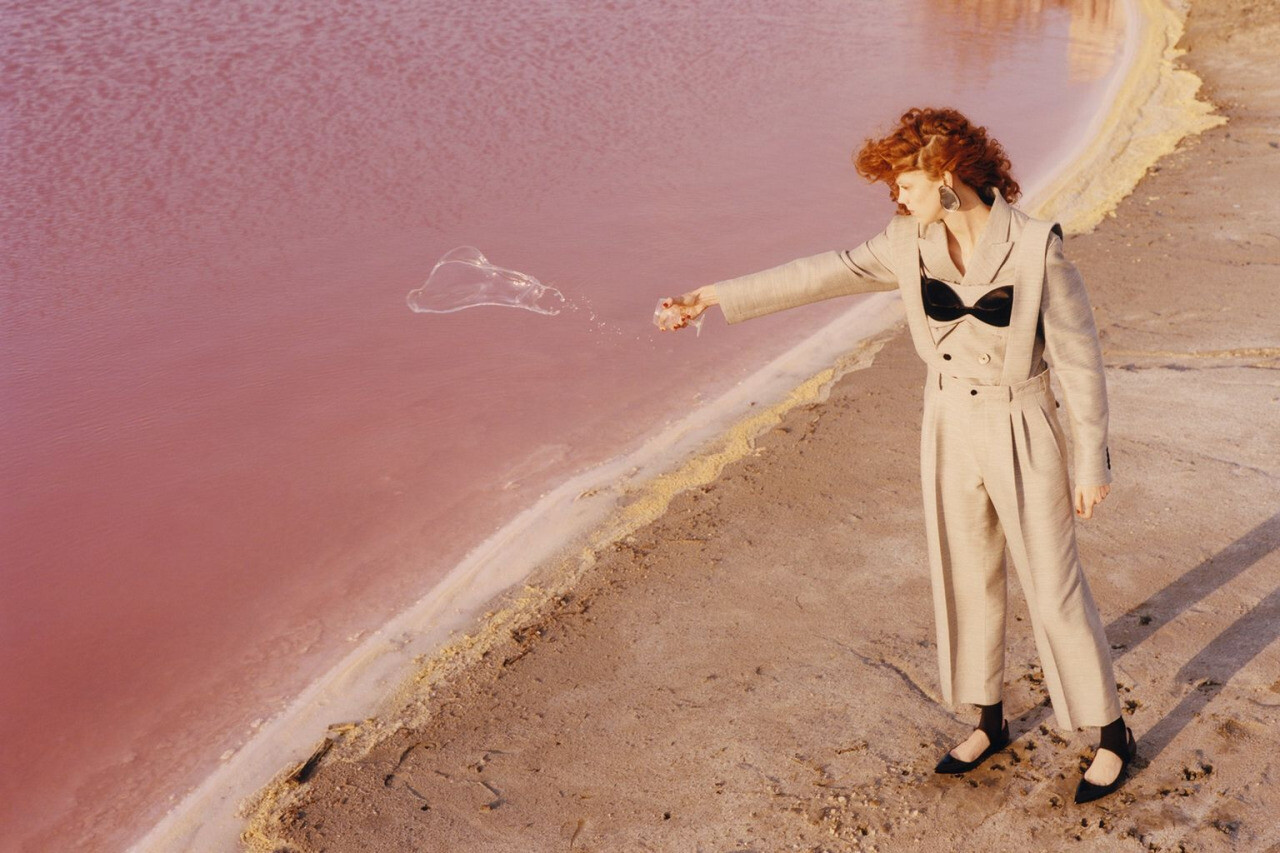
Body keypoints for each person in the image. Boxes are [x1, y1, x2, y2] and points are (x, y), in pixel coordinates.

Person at [658, 107, 1136, 804]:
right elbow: (822, 272)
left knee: (1054, 585)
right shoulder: (907, 241)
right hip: (947, 421)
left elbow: (1080, 362)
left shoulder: (1037, 249)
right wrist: (711, 296)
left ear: (945, 177)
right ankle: (988, 719)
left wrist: (1091, 461)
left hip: (1022, 422)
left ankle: (1111, 731)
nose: (897, 199)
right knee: (966, 574)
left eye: (904, 185)